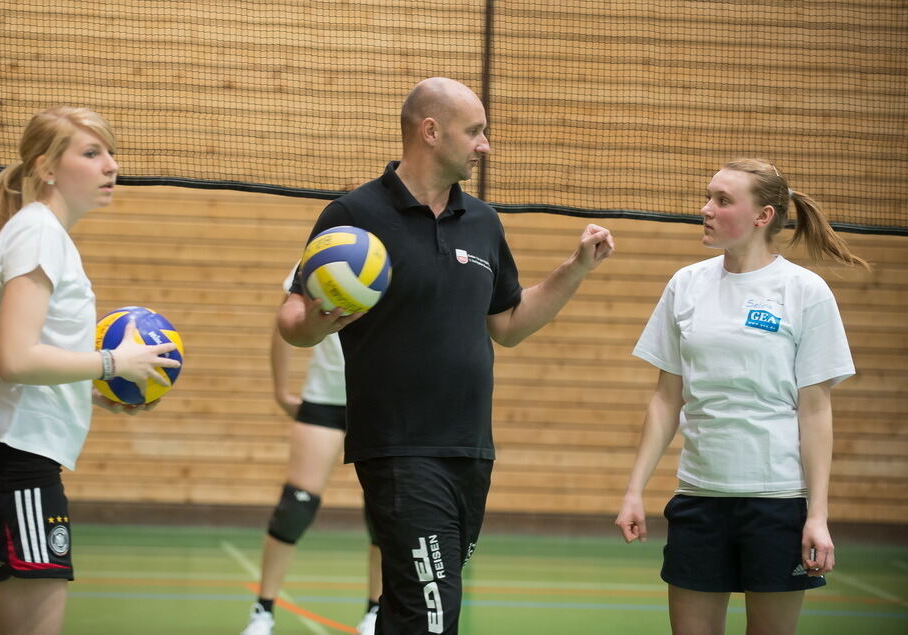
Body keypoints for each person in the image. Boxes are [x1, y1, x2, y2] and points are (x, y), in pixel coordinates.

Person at [277, 77, 614, 634]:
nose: (486, 145)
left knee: (414, 608)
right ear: (430, 132)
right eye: (475, 131)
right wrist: (317, 318)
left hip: (471, 448)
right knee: (432, 614)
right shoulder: (354, 215)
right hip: (400, 448)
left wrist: (574, 270)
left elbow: (507, 324)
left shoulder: (482, 222)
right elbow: (292, 321)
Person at [0, 106, 181, 635]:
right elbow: (16, 359)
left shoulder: (42, 233)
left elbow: (27, 361)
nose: (111, 166)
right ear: (47, 167)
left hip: (13, 456)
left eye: (111, 153)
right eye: (92, 153)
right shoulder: (39, 234)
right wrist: (114, 362)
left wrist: (98, 394)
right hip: (10, 458)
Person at [615, 158, 868, 635]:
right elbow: (667, 399)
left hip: (776, 504)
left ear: (763, 216)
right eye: (708, 197)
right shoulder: (685, 285)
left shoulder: (804, 292)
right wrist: (634, 491)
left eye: (723, 200)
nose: (706, 209)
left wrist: (817, 515)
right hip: (698, 498)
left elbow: (815, 412)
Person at [241, 265, 382, 635]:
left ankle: (376, 613)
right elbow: (284, 320)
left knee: (386, 514)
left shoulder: (404, 255)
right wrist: (280, 389)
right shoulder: (325, 252)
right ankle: (263, 612)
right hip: (325, 399)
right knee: (295, 505)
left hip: (384, 404)